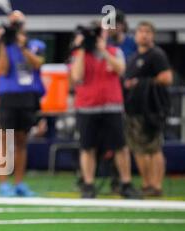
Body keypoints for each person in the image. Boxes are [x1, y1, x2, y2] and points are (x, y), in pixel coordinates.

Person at [69, 21, 140, 199]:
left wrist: (103, 50)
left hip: (111, 106)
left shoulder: (115, 52)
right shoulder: (79, 54)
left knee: (120, 146)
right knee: (87, 147)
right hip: (87, 107)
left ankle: (126, 183)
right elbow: (77, 77)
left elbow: (121, 69)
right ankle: (88, 184)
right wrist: (84, 49)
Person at [0, 10, 45, 197]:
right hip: (8, 96)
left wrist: (21, 47)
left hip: (27, 97)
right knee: (5, 141)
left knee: (22, 141)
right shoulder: (5, 46)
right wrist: (3, 43)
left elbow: (37, 63)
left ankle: (19, 183)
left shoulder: (33, 44)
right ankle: (4, 184)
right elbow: (2, 69)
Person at [124, 21, 173, 197]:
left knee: (154, 148)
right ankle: (146, 184)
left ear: (153, 35)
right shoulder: (134, 57)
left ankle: (156, 184)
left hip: (152, 108)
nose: (144, 35)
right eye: (141, 31)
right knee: (138, 148)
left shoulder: (156, 55)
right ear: (135, 35)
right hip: (135, 109)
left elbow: (167, 78)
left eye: (148, 31)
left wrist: (144, 82)